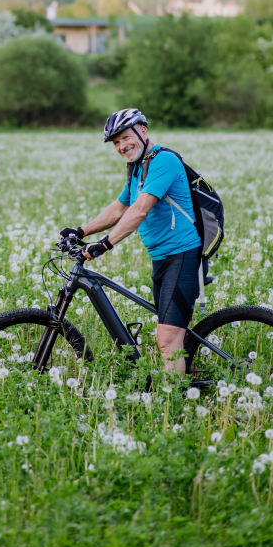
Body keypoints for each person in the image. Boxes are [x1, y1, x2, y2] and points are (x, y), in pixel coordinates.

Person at [60, 108, 202, 373]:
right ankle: (187, 378)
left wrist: (104, 244)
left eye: (126, 137)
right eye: (116, 142)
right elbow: (119, 207)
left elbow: (139, 210)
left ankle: (174, 406)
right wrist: (81, 231)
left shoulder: (164, 161)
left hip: (182, 255)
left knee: (166, 340)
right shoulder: (138, 168)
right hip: (161, 259)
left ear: (143, 131)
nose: (122, 146)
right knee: (173, 331)